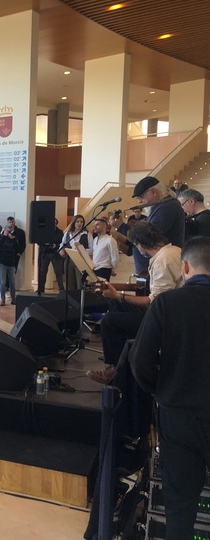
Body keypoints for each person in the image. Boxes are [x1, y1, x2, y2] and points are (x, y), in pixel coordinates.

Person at [128, 236, 210, 539]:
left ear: (185, 266)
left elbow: (139, 361)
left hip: (178, 415)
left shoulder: (167, 303)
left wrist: (159, 389)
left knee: (180, 503)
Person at [90, 221, 183, 384]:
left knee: (109, 321)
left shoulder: (163, 261)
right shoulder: (174, 250)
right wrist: (114, 292)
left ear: (140, 244)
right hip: (170, 312)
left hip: (164, 321)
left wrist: (119, 295)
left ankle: (114, 370)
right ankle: (121, 356)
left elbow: (154, 303)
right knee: (114, 304)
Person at [131, 176, 185, 274]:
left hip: (163, 267)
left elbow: (148, 236)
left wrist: (122, 226)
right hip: (158, 265)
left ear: (154, 192)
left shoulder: (167, 208)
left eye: (141, 197)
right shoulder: (162, 207)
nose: (139, 201)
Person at [60, 215, 89, 290]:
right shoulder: (67, 234)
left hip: (80, 260)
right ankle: (71, 299)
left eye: (81, 222)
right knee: (69, 282)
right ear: (74, 223)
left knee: (80, 282)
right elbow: (62, 244)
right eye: (77, 221)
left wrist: (82, 249)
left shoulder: (87, 234)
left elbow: (92, 249)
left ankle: (80, 299)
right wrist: (61, 250)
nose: (80, 223)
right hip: (69, 259)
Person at [37, 218, 64, 295]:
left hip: (55, 254)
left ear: (56, 224)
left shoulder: (60, 232)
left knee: (58, 272)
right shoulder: (44, 232)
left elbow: (62, 242)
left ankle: (61, 289)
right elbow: (39, 241)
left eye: (54, 223)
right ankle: (41, 289)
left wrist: (56, 245)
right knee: (42, 272)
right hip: (45, 253)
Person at [0, 223, 20, 306]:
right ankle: (2, 299)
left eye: (11, 228)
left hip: (11, 263)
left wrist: (13, 239)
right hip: (1, 263)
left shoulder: (14, 239)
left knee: (12, 282)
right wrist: (5, 236)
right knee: (2, 282)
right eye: (8, 228)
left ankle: (13, 298)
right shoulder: (0, 238)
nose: (10, 230)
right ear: (5, 229)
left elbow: (18, 249)